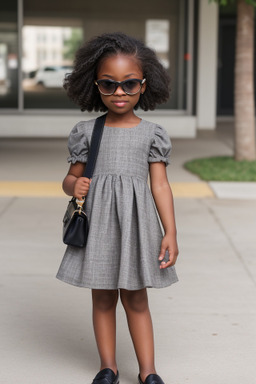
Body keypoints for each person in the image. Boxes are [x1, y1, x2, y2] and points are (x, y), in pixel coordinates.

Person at [56, 32, 179, 384]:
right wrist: (73, 185)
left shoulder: (152, 133)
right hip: (98, 225)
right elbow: (69, 179)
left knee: (137, 299)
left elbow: (160, 184)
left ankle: (148, 371)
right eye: (108, 84)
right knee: (103, 298)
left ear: (145, 84)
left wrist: (170, 230)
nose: (119, 93)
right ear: (94, 85)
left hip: (136, 226)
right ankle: (107, 367)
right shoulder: (87, 131)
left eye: (129, 84)